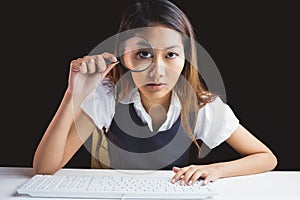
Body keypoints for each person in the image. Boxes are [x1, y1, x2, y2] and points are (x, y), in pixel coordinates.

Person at [33, 0, 277, 186]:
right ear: (123, 55)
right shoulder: (107, 96)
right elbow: (44, 168)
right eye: (143, 54)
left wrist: (217, 170)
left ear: (185, 58)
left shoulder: (201, 106)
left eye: (170, 55)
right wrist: (73, 93)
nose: (157, 71)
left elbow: (266, 157)